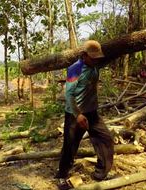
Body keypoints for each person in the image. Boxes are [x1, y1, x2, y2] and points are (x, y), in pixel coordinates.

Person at [55, 40, 114, 185]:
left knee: (105, 139)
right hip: (75, 115)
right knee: (70, 146)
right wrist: (78, 114)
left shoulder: (96, 64)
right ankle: (62, 176)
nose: (95, 60)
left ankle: (100, 174)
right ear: (84, 55)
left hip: (92, 112)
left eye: (97, 58)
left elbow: (113, 55)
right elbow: (69, 95)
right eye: (92, 57)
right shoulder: (75, 69)